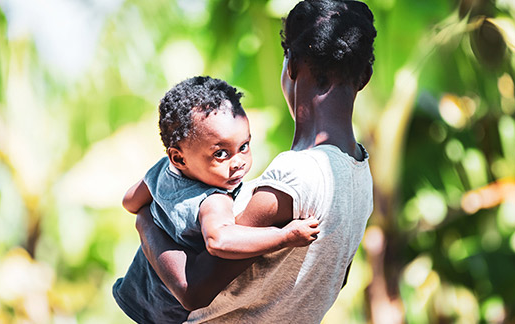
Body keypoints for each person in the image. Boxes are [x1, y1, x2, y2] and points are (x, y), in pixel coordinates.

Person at [135, 0, 377, 322]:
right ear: (364, 77)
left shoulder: (298, 173)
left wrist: (145, 222)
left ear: (290, 65)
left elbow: (193, 288)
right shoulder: (360, 178)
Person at [112, 76, 320, 324]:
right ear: (179, 158)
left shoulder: (160, 170)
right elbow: (219, 240)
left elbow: (130, 202)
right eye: (221, 154)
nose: (238, 163)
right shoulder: (214, 201)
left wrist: (151, 218)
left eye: (244, 146)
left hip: (133, 295)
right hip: (167, 315)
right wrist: (285, 236)